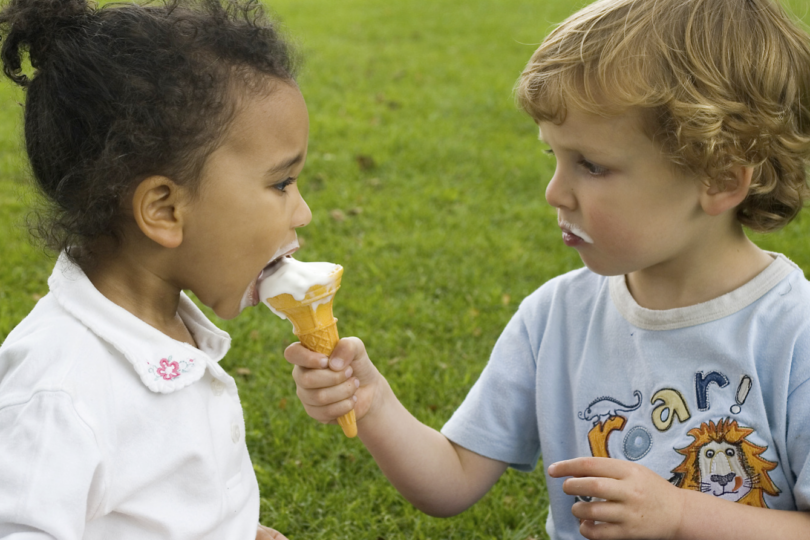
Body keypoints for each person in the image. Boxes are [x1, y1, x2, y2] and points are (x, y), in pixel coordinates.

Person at [286, 0, 810, 538]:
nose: (555, 191)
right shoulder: (556, 318)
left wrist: (679, 515)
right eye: (553, 157)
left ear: (720, 179)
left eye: (591, 165)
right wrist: (372, 402)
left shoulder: (794, 333)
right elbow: (453, 480)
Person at [0, 0, 313, 537]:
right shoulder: (60, 390)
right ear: (165, 210)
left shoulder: (171, 331)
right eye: (281, 184)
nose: (303, 211)